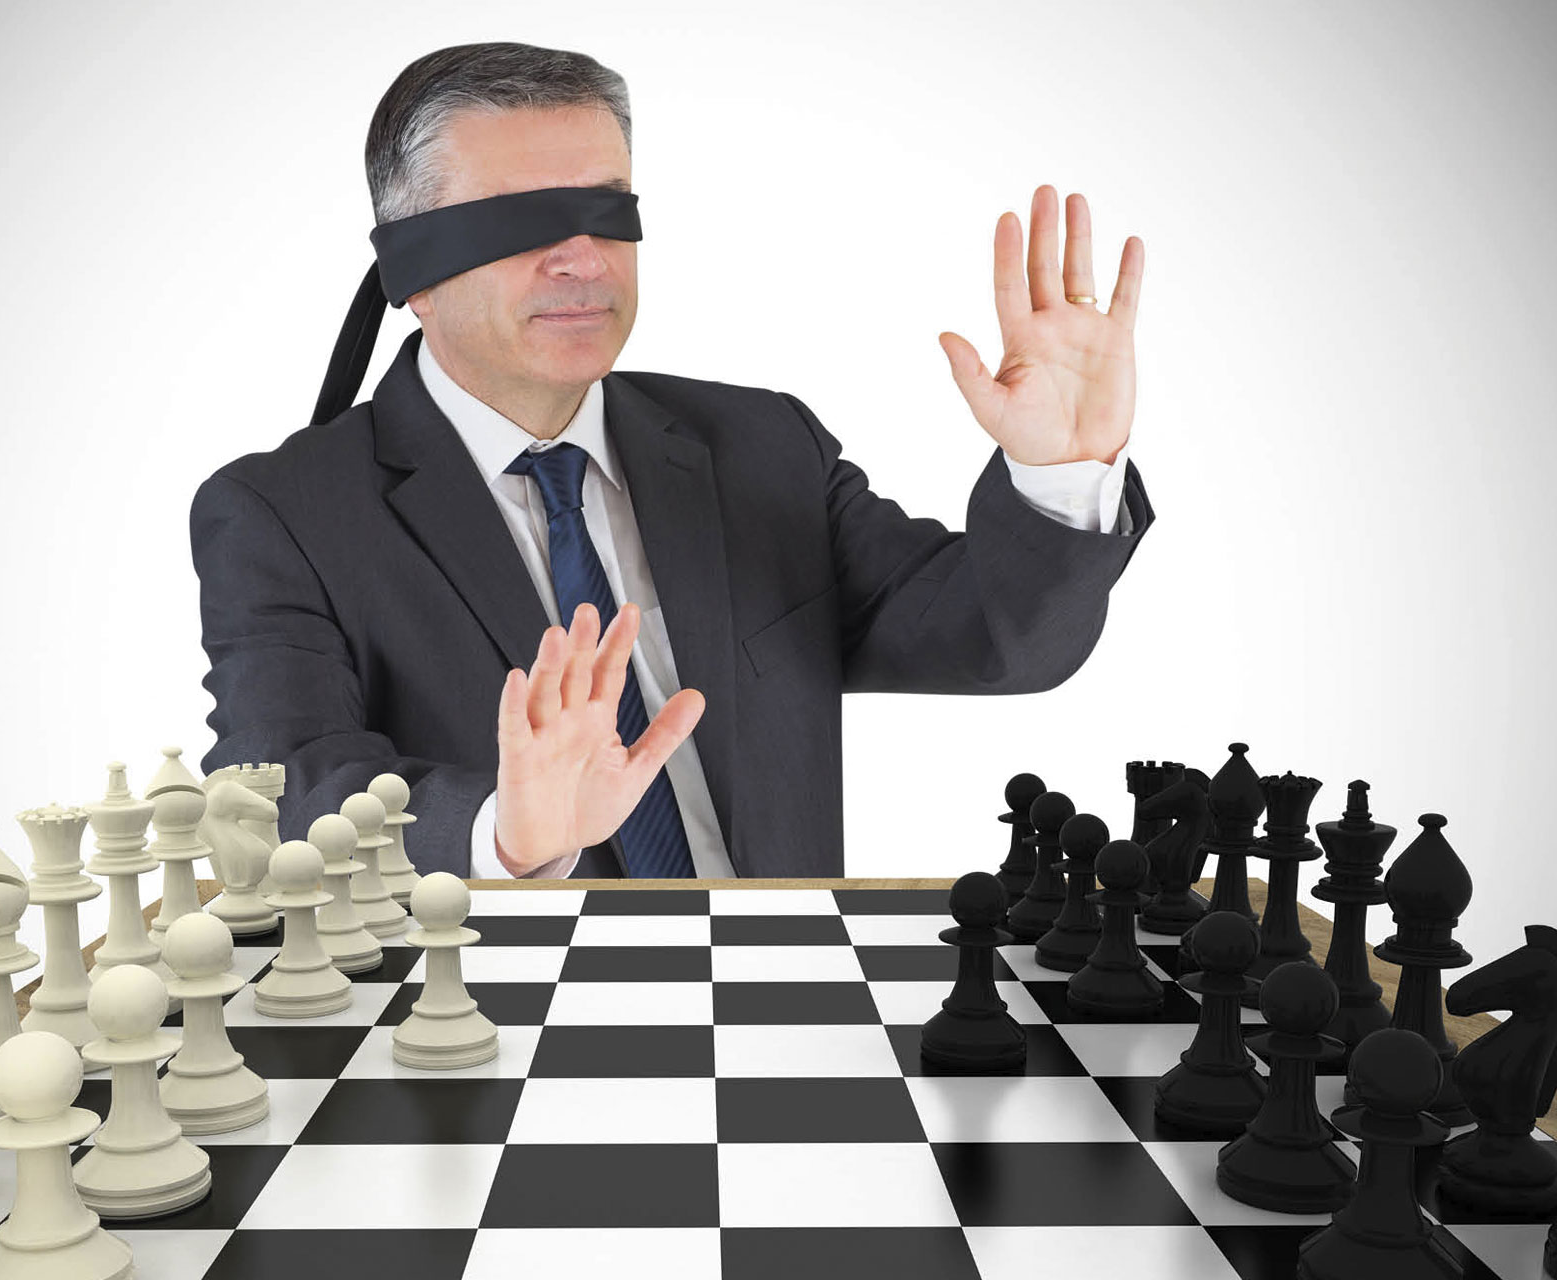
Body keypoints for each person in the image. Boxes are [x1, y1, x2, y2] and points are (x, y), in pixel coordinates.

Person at [190, 41, 1156, 881]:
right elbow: (278, 787)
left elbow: (999, 641)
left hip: (783, 1004)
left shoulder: (762, 447)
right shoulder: (281, 514)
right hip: (489, 1039)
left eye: (606, 210)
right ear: (411, 271)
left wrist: (1058, 475)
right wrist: (502, 835)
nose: (580, 257)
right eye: (516, 219)